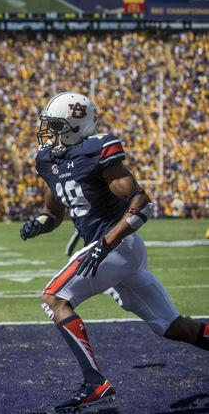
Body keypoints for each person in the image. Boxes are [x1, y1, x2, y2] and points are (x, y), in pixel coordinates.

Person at [20, 92, 208, 413]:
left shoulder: (97, 151)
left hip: (115, 244)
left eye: (56, 125)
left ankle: (95, 384)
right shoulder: (49, 159)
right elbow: (55, 210)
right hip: (116, 251)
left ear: (75, 126)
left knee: (54, 298)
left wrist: (105, 245)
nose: (49, 132)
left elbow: (139, 204)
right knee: (172, 326)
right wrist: (41, 223)